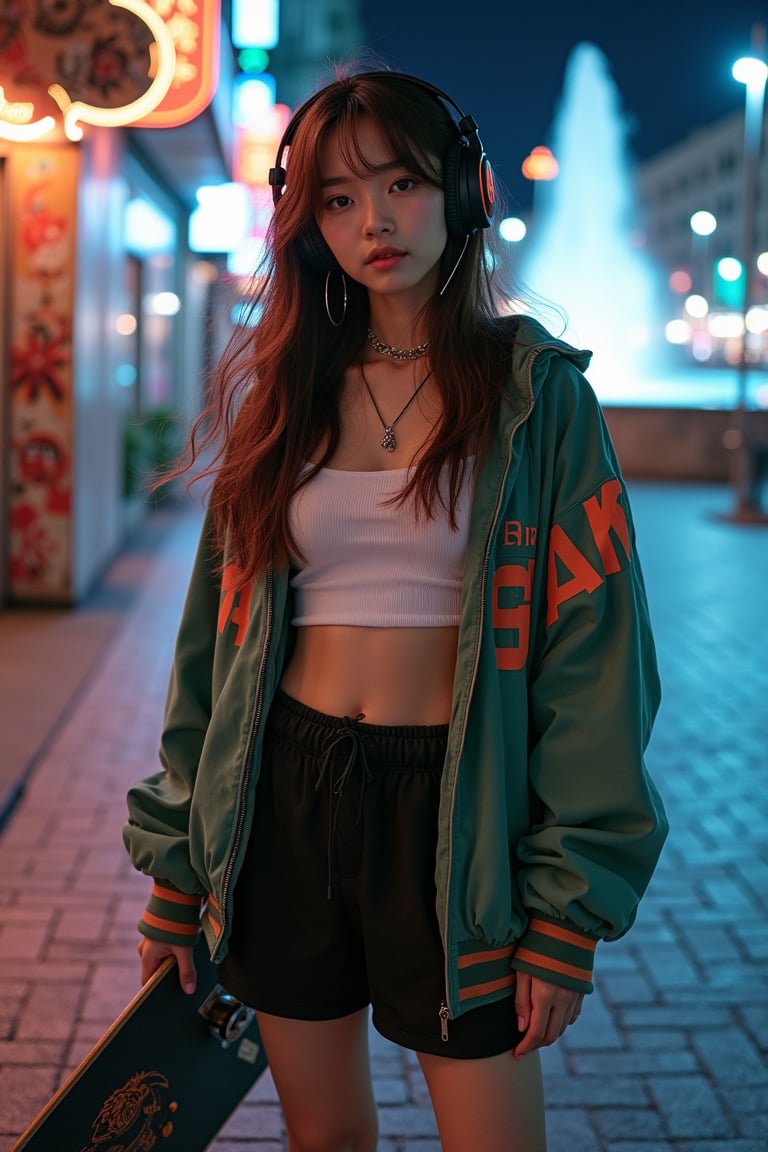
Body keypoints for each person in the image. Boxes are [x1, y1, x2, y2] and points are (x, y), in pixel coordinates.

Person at [123, 66, 668, 1152]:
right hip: (284, 798)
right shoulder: (286, 396)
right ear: (308, 221)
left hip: (460, 815)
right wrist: (178, 872)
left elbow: (597, 662)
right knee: (324, 1137)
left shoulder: (538, 397)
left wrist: (568, 910)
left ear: (464, 191)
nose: (374, 220)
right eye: (337, 197)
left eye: (403, 183)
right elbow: (212, 658)